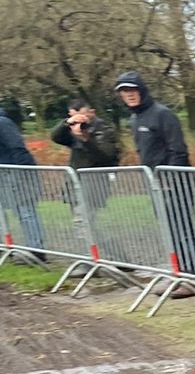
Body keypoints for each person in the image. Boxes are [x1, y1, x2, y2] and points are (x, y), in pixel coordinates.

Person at [114, 71, 195, 279]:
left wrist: (170, 178)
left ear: (142, 90)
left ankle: (191, 276)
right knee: (169, 229)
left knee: (182, 229)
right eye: (125, 91)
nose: (129, 95)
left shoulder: (162, 114)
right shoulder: (134, 118)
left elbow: (178, 149)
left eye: (133, 90)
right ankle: (178, 273)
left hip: (174, 183)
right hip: (154, 184)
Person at [49, 100, 119, 212]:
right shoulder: (74, 129)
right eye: (74, 116)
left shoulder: (104, 129)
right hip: (75, 179)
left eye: (82, 116)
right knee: (79, 219)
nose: (80, 120)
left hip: (94, 182)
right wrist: (67, 123)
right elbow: (56, 137)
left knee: (85, 217)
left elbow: (106, 158)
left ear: (92, 112)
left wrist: (85, 140)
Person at [0, 111, 46, 261]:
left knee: (25, 211)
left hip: (16, 173)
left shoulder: (3, 123)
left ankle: (36, 250)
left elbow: (18, 148)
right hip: (5, 174)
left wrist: (23, 174)